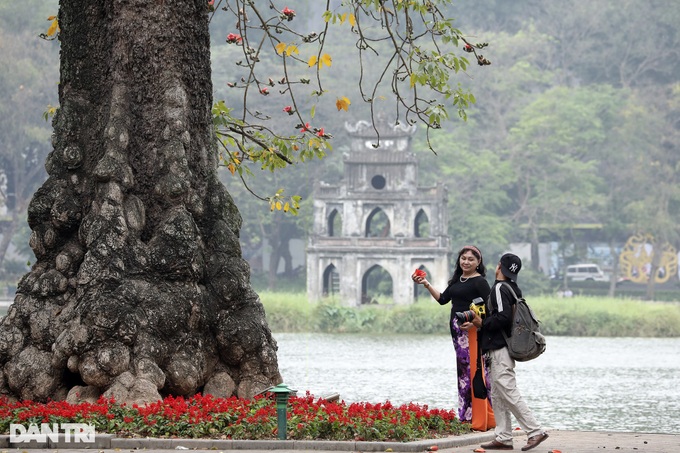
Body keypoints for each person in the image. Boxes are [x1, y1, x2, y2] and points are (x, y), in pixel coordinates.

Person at [471, 254, 549, 451]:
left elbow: (503, 318)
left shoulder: (498, 287)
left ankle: (535, 431)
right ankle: (503, 437)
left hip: (499, 347)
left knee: (507, 390)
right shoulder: (514, 288)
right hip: (505, 347)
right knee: (498, 394)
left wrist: (482, 323)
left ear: (499, 267)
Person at [413, 245, 495, 431]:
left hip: (472, 332)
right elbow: (443, 300)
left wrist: (475, 323)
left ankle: (481, 417)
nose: (466, 262)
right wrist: (426, 284)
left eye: (471, 259)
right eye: (463, 258)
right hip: (457, 331)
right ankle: (466, 416)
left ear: (478, 262)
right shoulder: (458, 280)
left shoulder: (480, 282)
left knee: (475, 372)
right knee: (463, 373)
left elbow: (491, 309)